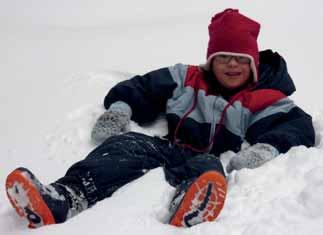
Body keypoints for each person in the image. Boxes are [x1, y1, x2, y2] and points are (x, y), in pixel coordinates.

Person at [5, 8, 315, 229]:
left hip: (208, 158)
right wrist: (120, 110)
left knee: (208, 171)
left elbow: (296, 126)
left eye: (240, 59)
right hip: (168, 146)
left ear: (253, 63)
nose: (231, 65)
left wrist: (266, 149)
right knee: (124, 146)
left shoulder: (261, 96)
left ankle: (189, 206)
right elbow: (140, 87)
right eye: (223, 57)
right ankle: (65, 196)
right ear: (211, 59)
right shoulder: (186, 77)